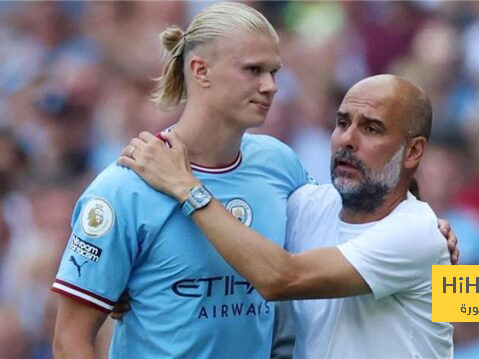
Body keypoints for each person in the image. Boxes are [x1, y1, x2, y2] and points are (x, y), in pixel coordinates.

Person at [117, 74, 454, 358]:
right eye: (341, 123)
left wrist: (184, 185)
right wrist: (142, 279)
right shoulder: (305, 207)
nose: (347, 140)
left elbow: (280, 278)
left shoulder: (417, 233)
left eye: (371, 128)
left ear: (414, 151)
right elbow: (231, 237)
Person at [51, 3, 313, 358]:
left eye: (273, 72)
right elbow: (70, 341)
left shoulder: (281, 165)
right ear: (200, 70)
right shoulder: (125, 187)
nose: (270, 86)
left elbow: (320, 260)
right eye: (253, 70)